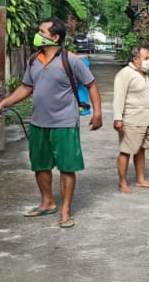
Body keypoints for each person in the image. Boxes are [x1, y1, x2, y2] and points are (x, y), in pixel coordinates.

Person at [0, 17, 103, 228]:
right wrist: (3, 103)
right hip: (38, 123)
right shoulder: (33, 60)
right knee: (40, 165)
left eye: (42, 31)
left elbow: (91, 84)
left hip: (64, 123)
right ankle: (47, 202)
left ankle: (65, 211)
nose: (37, 35)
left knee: (67, 167)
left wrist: (97, 113)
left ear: (55, 37)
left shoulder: (71, 60)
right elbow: (26, 88)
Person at [112, 46, 149, 193]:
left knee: (141, 150)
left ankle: (140, 179)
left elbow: (147, 98)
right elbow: (119, 98)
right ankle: (122, 183)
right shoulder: (125, 74)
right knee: (126, 150)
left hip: (146, 120)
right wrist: (118, 118)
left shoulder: (144, 75)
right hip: (131, 120)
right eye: (146, 58)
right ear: (136, 58)